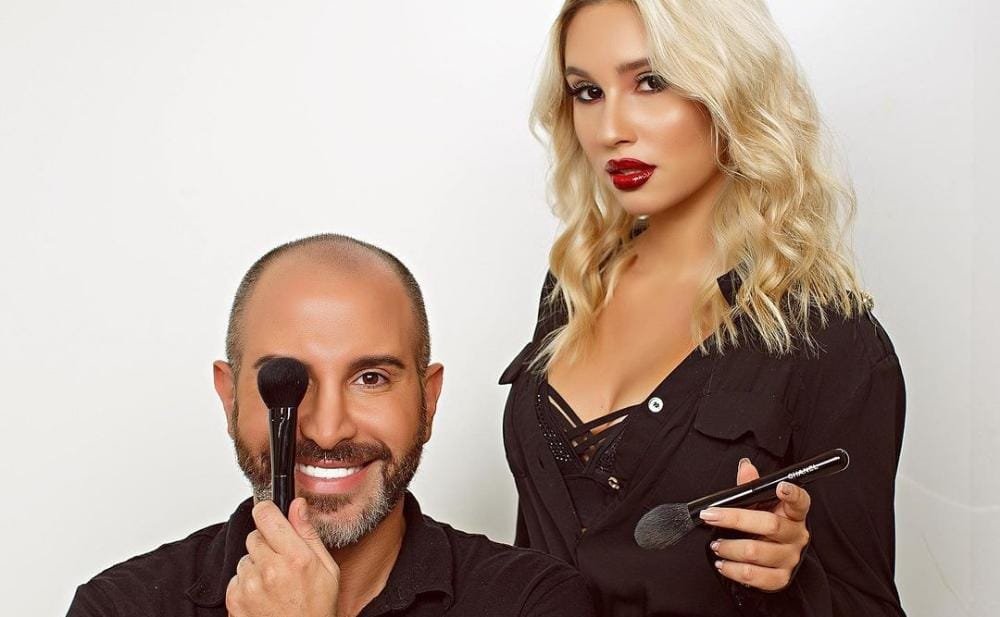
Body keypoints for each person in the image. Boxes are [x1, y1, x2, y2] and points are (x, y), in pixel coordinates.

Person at [499, 1, 906, 615]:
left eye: (651, 81)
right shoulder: (574, 288)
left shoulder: (828, 340)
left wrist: (791, 575)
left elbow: (866, 603)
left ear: (732, 89)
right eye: (587, 92)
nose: (610, 129)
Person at [69, 234, 594, 617]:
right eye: (289, 379)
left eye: (370, 378)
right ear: (229, 398)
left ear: (428, 400)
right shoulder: (119, 607)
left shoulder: (532, 602)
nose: (326, 430)